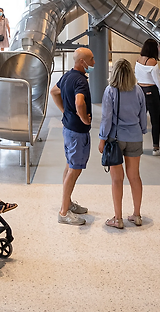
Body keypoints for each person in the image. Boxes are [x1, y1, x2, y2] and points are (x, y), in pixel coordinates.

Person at [98, 59, 147, 229]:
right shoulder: (138, 90)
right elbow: (142, 114)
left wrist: (102, 138)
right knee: (135, 176)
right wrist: (142, 130)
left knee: (117, 180)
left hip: (115, 140)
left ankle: (117, 218)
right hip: (135, 137)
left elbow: (106, 118)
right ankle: (137, 215)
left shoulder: (110, 91)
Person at [50, 46, 94, 225]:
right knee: (75, 169)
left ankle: (67, 203)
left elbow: (54, 91)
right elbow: (79, 102)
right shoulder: (81, 81)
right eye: (91, 59)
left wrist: (65, 111)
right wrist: (83, 118)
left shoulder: (68, 76)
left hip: (68, 129)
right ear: (82, 62)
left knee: (70, 166)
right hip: (77, 132)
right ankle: (63, 212)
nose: (93, 63)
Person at [135, 37, 160, 156]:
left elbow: (137, 76)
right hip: (152, 92)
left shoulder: (138, 60)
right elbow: (158, 81)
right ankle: (156, 148)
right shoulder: (153, 63)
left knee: (139, 120)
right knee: (155, 121)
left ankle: (136, 146)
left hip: (140, 90)